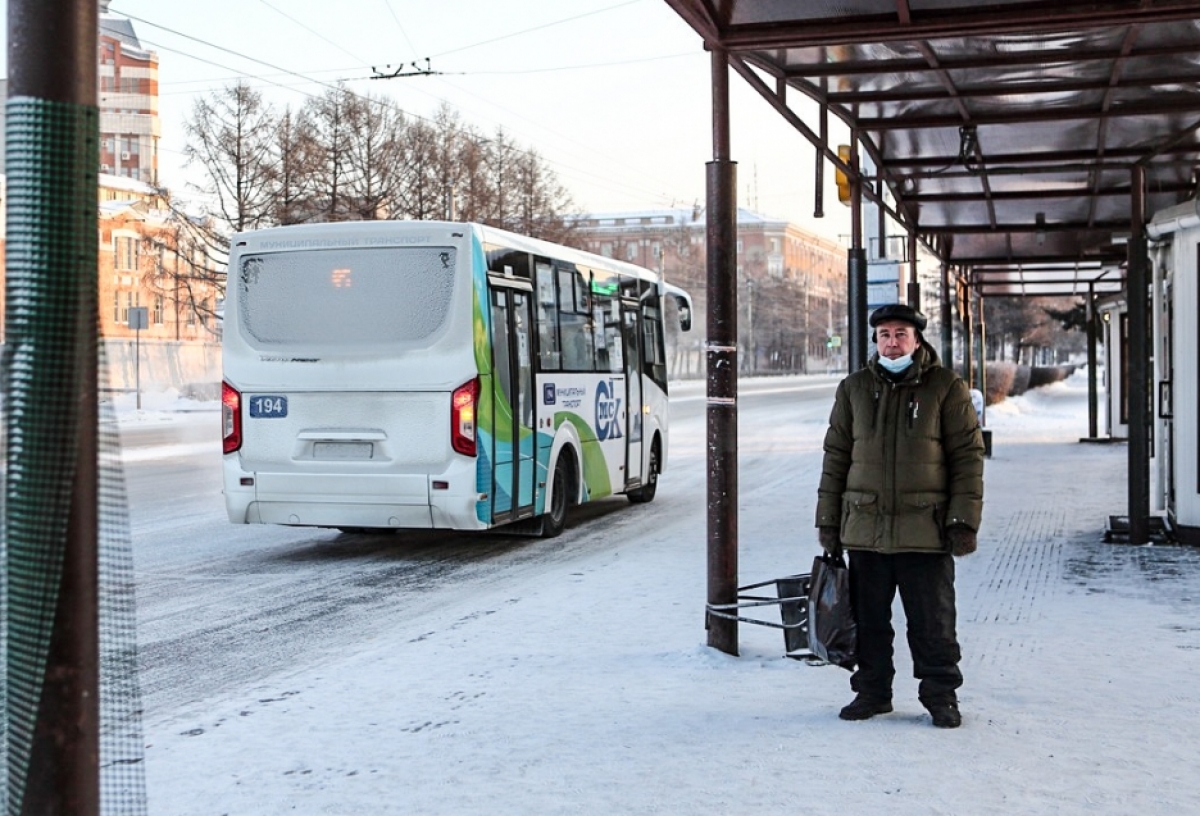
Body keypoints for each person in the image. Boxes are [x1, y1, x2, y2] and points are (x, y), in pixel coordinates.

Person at [815, 303, 984, 729]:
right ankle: (872, 692)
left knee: (933, 623)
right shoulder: (853, 389)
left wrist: (962, 521)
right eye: (885, 334)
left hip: (925, 530)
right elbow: (836, 457)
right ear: (876, 340)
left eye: (901, 334)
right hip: (865, 529)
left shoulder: (945, 387)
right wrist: (829, 522)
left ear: (917, 339)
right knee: (869, 621)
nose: (892, 342)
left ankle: (941, 695)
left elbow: (967, 457)